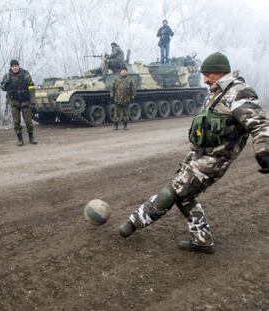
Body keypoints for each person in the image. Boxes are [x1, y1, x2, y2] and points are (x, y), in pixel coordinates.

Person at [118, 52, 269, 254]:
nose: (205, 79)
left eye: (208, 74)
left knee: (172, 192)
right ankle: (202, 240)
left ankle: (133, 223)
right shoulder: (217, 92)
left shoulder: (238, 93)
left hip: (214, 160)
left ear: (220, 72)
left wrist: (264, 150)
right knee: (185, 196)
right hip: (198, 155)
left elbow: (258, 123)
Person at [0, 59, 37, 146]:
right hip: (14, 102)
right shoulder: (7, 76)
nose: (15, 68)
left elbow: (31, 87)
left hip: (25, 102)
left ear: (18, 66)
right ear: (11, 67)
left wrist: (33, 101)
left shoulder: (25, 74)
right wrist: (5, 84)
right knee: (16, 122)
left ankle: (31, 138)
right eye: (13, 66)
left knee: (28, 121)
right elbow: (2, 87)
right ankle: (20, 139)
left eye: (16, 66)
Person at [110, 65, 136, 130]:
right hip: (117, 99)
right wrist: (112, 95)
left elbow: (133, 89)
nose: (123, 72)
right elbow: (112, 88)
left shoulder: (130, 80)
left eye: (124, 71)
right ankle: (116, 126)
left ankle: (125, 126)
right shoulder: (116, 80)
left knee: (125, 113)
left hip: (126, 99)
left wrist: (133, 96)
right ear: (120, 72)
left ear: (126, 72)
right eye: (122, 71)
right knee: (116, 113)